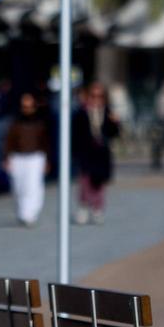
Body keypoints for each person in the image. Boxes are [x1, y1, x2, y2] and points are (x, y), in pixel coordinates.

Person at [72, 81, 120, 225]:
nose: (96, 99)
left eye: (99, 96)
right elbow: (75, 135)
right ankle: (83, 207)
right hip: (86, 152)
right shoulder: (81, 113)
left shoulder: (108, 112)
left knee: (99, 182)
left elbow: (114, 134)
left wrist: (115, 123)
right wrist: (75, 153)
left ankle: (97, 208)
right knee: (85, 181)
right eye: (93, 96)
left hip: (101, 153)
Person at [2, 92, 50, 226]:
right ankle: (22, 211)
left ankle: (30, 214)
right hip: (18, 158)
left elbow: (46, 143)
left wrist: (47, 160)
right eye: (24, 106)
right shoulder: (15, 124)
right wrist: (6, 158)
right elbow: (8, 141)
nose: (27, 109)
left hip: (35, 157)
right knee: (18, 186)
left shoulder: (40, 124)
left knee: (33, 185)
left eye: (29, 106)